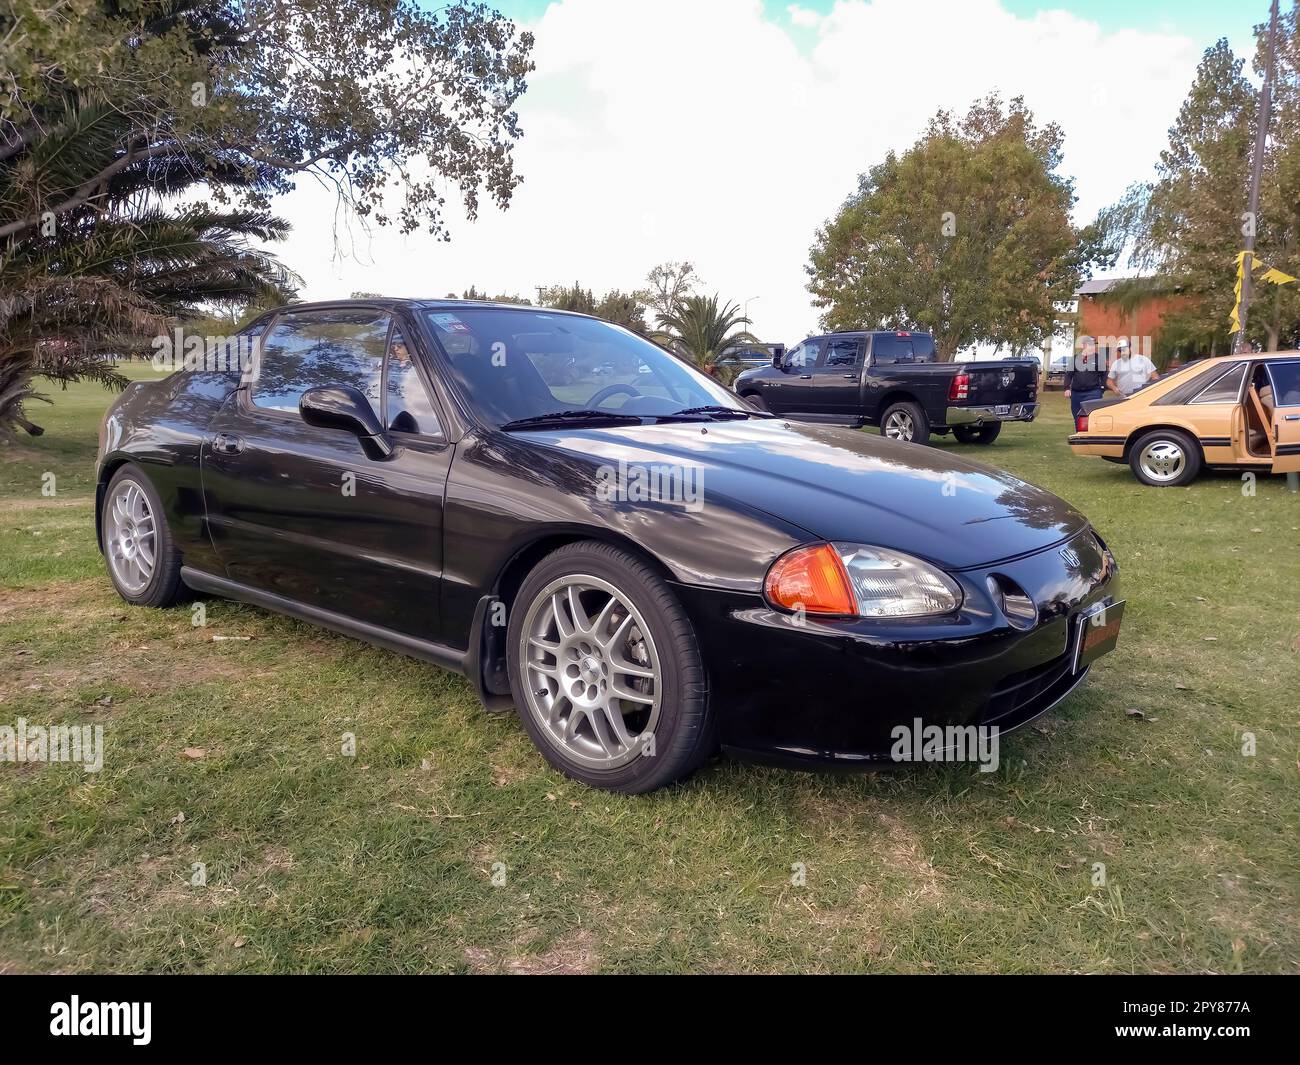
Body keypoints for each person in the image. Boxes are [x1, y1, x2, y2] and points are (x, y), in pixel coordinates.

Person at [1064, 335, 1106, 421]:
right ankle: (1080, 434)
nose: (1093, 347)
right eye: (1090, 345)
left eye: (1094, 345)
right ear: (1083, 346)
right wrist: (1067, 388)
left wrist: (1102, 387)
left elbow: (1104, 374)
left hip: (1093, 392)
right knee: (1078, 418)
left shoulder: (1099, 359)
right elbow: (1068, 374)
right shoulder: (1075, 359)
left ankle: (1091, 434)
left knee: (1092, 417)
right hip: (1076, 394)